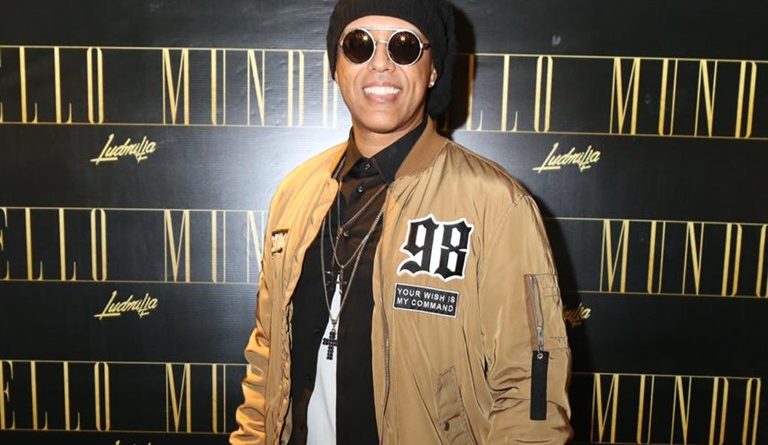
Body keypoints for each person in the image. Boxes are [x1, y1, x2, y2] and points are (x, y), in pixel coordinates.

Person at [230, 0, 573, 443]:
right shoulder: (296, 193)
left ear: (433, 70)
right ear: (336, 66)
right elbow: (267, 357)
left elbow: (529, 390)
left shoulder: (496, 204)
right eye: (359, 45)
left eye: (404, 46)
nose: (380, 63)